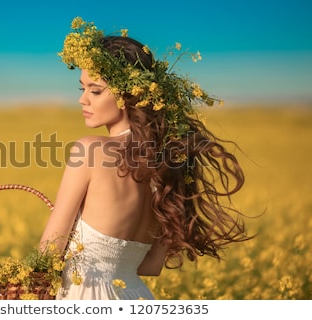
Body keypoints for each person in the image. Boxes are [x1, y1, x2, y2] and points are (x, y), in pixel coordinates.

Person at [39, 17, 252, 300]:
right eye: (82, 88)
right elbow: (151, 266)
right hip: (136, 296)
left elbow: (48, 252)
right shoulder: (168, 162)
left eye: (96, 90)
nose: (83, 99)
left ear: (129, 94)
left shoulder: (89, 150)